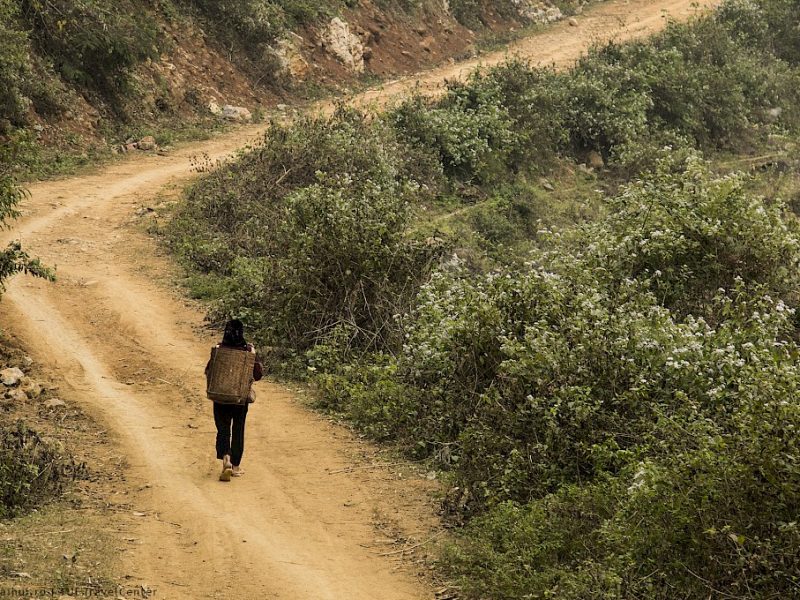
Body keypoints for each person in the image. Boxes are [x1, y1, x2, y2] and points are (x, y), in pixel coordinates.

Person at [205, 319, 263, 482]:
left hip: (220, 397)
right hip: (239, 398)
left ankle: (226, 457)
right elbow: (258, 374)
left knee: (223, 429)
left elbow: (208, 370)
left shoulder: (219, 349)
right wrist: (253, 356)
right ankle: (236, 466)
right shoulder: (248, 350)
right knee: (238, 429)